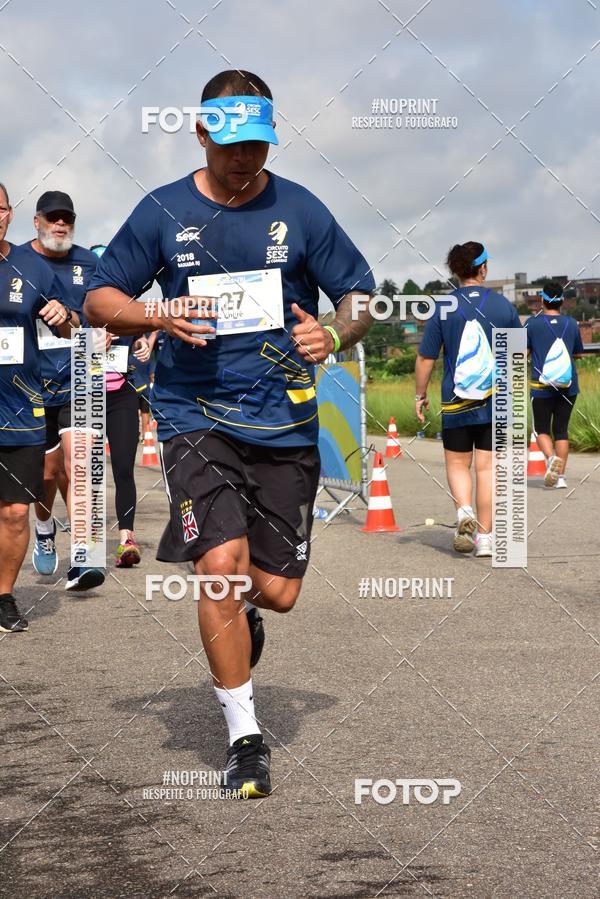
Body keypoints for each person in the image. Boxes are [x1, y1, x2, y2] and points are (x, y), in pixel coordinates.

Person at [85, 69, 374, 797]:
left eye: (258, 144)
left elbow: (361, 294)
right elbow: (99, 298)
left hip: (284, 421)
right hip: (193, 416)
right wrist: (155, 313)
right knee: (219, 564)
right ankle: (246, 738)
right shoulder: (163, 209)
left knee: (276, 591)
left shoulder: (300, 209)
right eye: (232, 143)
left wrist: (335, 333)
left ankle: (245, 613)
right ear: (201, 132)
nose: (245, 157)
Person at [0, 183, 78, 632]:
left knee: (14, 512)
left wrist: (64, 317)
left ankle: (4, 596)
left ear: (10, 214)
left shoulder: (31, 266)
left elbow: (71, 325)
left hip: (18, 408)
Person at [21, 191, 106, 591]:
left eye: (66, 219)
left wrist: (100, 330)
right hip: (30, 383)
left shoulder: (90, 263)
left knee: (80, 462)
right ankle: (44, 527)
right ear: (36, 221)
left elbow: (106, 310)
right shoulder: (16, 261)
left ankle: (86, 557)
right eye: (52, 218)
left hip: (80, 375)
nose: (60, 225)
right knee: (46, 474)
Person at [416, 242, 522, 558]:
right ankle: (486, 539)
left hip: (455, 400)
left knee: (458, 463)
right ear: (483, 268)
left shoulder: (444, 307)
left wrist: (420, 394)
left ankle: (465, 512)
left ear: (457, 270)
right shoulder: (503, 306)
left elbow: (425, 358)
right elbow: (518, 354)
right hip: (495, 401)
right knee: (487, 469)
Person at [525, 281, 584, 489]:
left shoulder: (532, 324)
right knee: (561, 430)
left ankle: (551, 459)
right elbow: (578, 354)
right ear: (562, 301)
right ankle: (560, 479)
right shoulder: (572, 323)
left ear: (542, 300)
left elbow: (522, 354)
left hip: (541, 388)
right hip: (568, 387)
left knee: (540, 428)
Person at [105, 333, 150, 566]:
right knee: (81, 471)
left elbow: (137, 331)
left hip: (122, 392)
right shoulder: (79, 310)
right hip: (82, 392)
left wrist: (140, 341)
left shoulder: (122, 309)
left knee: (123, 468)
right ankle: (84, 542)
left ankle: (126, 539)